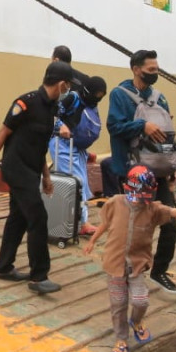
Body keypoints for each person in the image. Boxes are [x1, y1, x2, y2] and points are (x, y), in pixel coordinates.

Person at [83, 166, 176, 352]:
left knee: (141, 301)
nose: (136, 201)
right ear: (126, 188)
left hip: (136, 266)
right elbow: (105, 224)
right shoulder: (116, 202)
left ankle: (136, 321)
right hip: (114, 264)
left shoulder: (154, 210)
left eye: (142, 197)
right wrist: (92, 241)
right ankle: (121, 339)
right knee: (118, 303)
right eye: (133, 195)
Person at [0, 61, 76, 295]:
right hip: (16, 169)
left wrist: (47, 176)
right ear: (62, 84)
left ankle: (4, 267)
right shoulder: (26, 103)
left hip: (31, 170)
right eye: (68, 86)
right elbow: (3, 132)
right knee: (38, 217)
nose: (68, 90)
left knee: (18, 218)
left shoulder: (51, 109)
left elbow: (40, 146)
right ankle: (39, 276)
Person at [107, 50, 176, 294]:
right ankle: (125, 270)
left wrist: (171, 168)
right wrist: (143, 125)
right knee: (132, 226)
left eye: (157, 70)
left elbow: (169, 133)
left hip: (158, 172)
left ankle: (159, 271)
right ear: (136, 69)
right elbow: (114, 127)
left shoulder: (160, 98)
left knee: (170, 223)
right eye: (151, 70)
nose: (155, 74)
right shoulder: (120, 95)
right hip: (132, 173)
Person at [50, 76, 108, 235]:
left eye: (101, 96)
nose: (98, 99)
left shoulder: (92, 104)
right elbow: (52, 113)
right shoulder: (72, 98)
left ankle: (79, 221)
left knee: (83, 184)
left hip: (78, 147)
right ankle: (79, 222)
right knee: (76, 182)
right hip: (62, 144)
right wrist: (60, 126)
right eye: (96, 94)